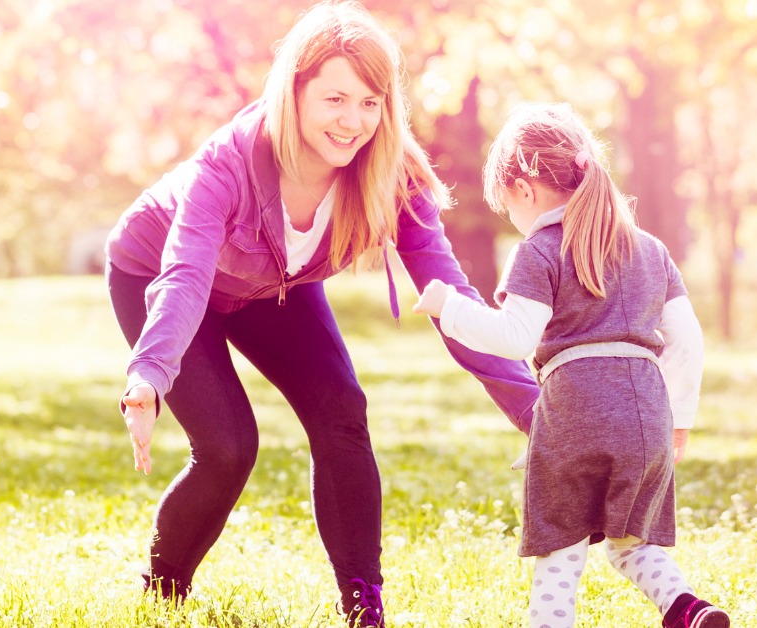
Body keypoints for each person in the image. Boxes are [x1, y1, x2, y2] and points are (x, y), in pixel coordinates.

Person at [104, 2, 540, 625]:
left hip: (273, 285)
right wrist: (148, 375)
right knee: (228, 447)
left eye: (370, 102)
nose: (353, 121)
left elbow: (454, 302)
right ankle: (162, 589)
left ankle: (364, 604)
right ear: (295, 90)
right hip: (159, 276)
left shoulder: (392, 173)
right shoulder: (227, 164)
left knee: (342, 410)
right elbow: (185, 273)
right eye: (336, 99)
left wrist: (537, 411)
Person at [412, 102, 730, 628]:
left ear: (525, 189)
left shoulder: (539, 250)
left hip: (575, 412)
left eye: (506, 206)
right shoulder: (651, 250)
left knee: (561, 550)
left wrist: (449, 306)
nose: (511, 219)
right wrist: (678, 421)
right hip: (649, 417)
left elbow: (514, 338)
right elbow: (688, 341)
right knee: (632, 543)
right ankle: (686, 608)